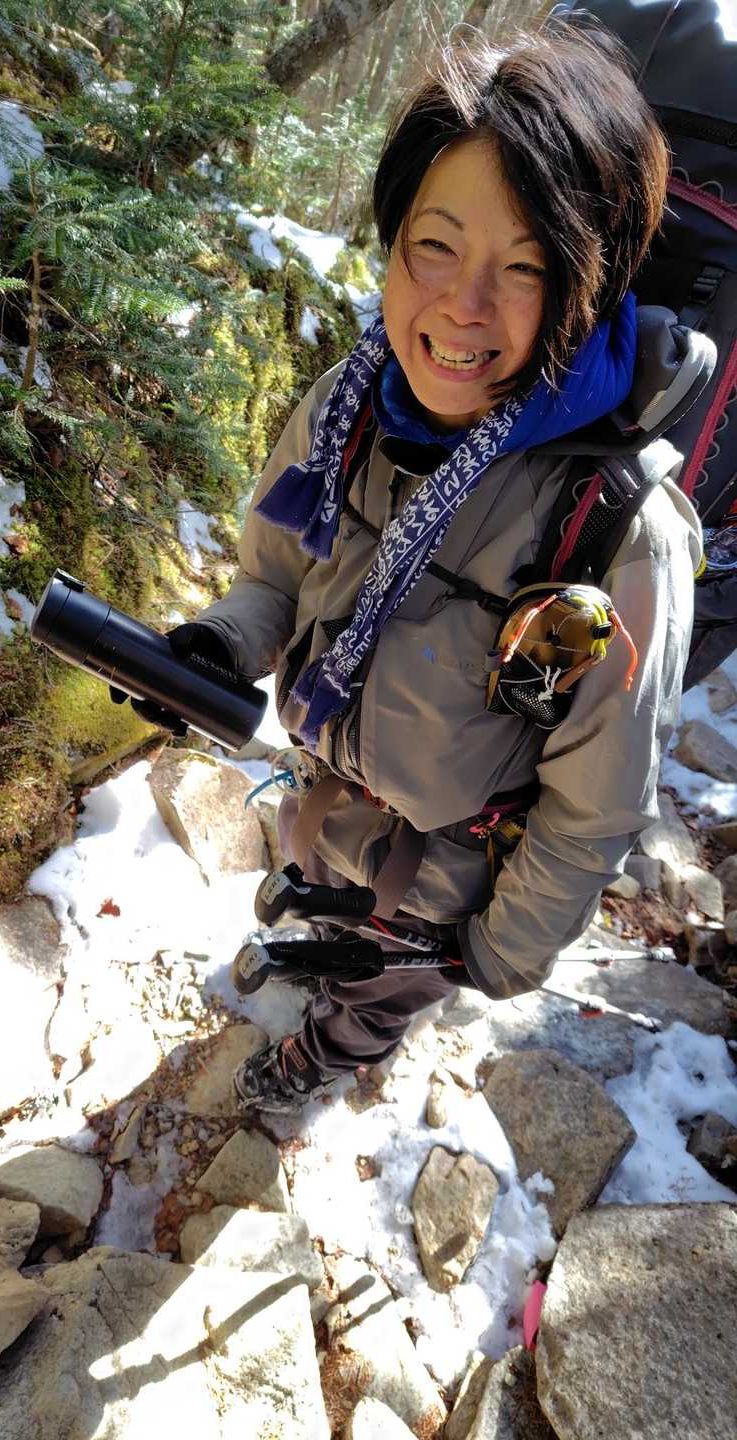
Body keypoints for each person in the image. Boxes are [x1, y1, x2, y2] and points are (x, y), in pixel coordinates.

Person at [120, 22, 707, 1112]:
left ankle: (324, 1055)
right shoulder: (352, 404)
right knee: (318, 907)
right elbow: (276, 576)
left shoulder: (622, 527)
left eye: (526, 267)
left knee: (375, 994)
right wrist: (218, 646)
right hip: (323, 792)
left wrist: (491, 955)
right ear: (392, 242)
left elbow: (592, 810)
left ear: (590, 285)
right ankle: (316, 958)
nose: (463, 307)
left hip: (445, 882)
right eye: (434, 245)